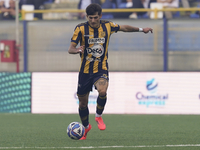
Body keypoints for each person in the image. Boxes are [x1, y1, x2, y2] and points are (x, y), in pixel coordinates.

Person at [68, 3, 153, 140]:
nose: (93, 20)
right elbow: (70, 48)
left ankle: (98, 116)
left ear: (100, 16)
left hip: (101, 68)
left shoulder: (107, 26)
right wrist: (77, 50)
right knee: (82, 103)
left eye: (95, 17)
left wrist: (142, 29)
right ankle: (86, 127)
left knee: (102, 91)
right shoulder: (80, 28)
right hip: (84, 71)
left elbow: (124, 28)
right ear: (87, 17)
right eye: (90, 18)